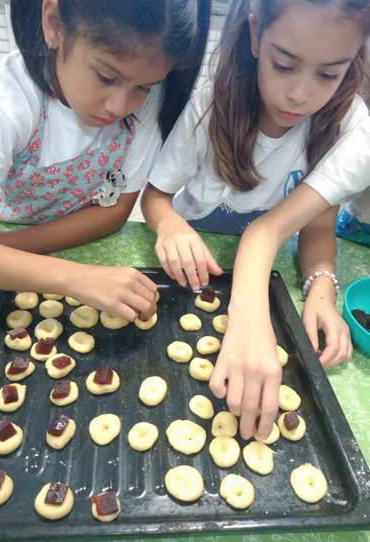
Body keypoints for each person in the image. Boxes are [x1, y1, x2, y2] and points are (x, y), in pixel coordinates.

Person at [141, 0, 370, 438]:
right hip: (193, 267)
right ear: (254, 34)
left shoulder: (350, 129)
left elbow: (318, 226)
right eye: (283, 65)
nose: (299, 94)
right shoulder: (212, 102)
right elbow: (156, 197)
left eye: (329, 74)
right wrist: (169, 225)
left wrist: (321, 288)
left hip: (269, 275)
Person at [0, 0, 211, 320]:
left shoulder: (145, 98)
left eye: (143, 88)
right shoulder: (4, 104)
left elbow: (115, 211)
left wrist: (14, 248)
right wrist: (74, 276)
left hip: (47, 241)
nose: (120, 106)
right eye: (106, 77)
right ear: (54, 23)